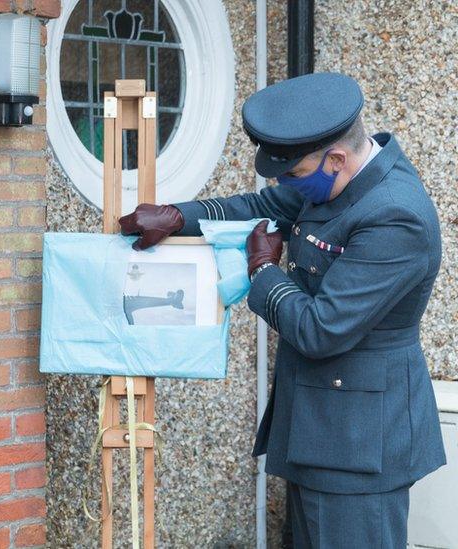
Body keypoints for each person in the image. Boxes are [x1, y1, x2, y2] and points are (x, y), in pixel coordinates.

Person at [120, 72, 445, 547]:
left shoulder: (396, 215)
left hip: (359, 441)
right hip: (320, 424)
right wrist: (176, 216)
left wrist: (262, 271)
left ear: (335, 158)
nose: (284, 183)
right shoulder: (334, 176)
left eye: (292, 173)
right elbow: (259, 205)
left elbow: (320, 329)